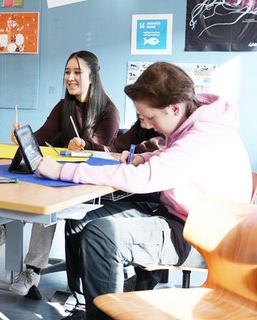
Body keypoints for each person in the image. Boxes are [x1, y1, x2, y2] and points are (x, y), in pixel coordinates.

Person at [34, 62, 252, 319]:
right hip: (181, 216)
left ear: (174, 108)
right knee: (79, 220)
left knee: (102, 235)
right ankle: (85, 303)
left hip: (205, 237)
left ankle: (102, 315)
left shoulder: (204, 137)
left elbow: (145, 179)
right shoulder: (195, 121)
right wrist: (147, 158)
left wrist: (63, 171)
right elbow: (174, 157)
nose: (147, 125)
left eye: (150, 117)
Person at [9, 50, 119, 298]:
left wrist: (84, 146)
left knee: (45, 198)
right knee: (25, 186)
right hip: (62, 177)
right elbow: (40, 137)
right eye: (67, 72)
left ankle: (32, 269)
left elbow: (102, 153)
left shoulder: (108, 111)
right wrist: (21, 138)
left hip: (89, 186)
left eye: (77, 72)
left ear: (92, 76)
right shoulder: (64, 105)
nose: (70, 77)